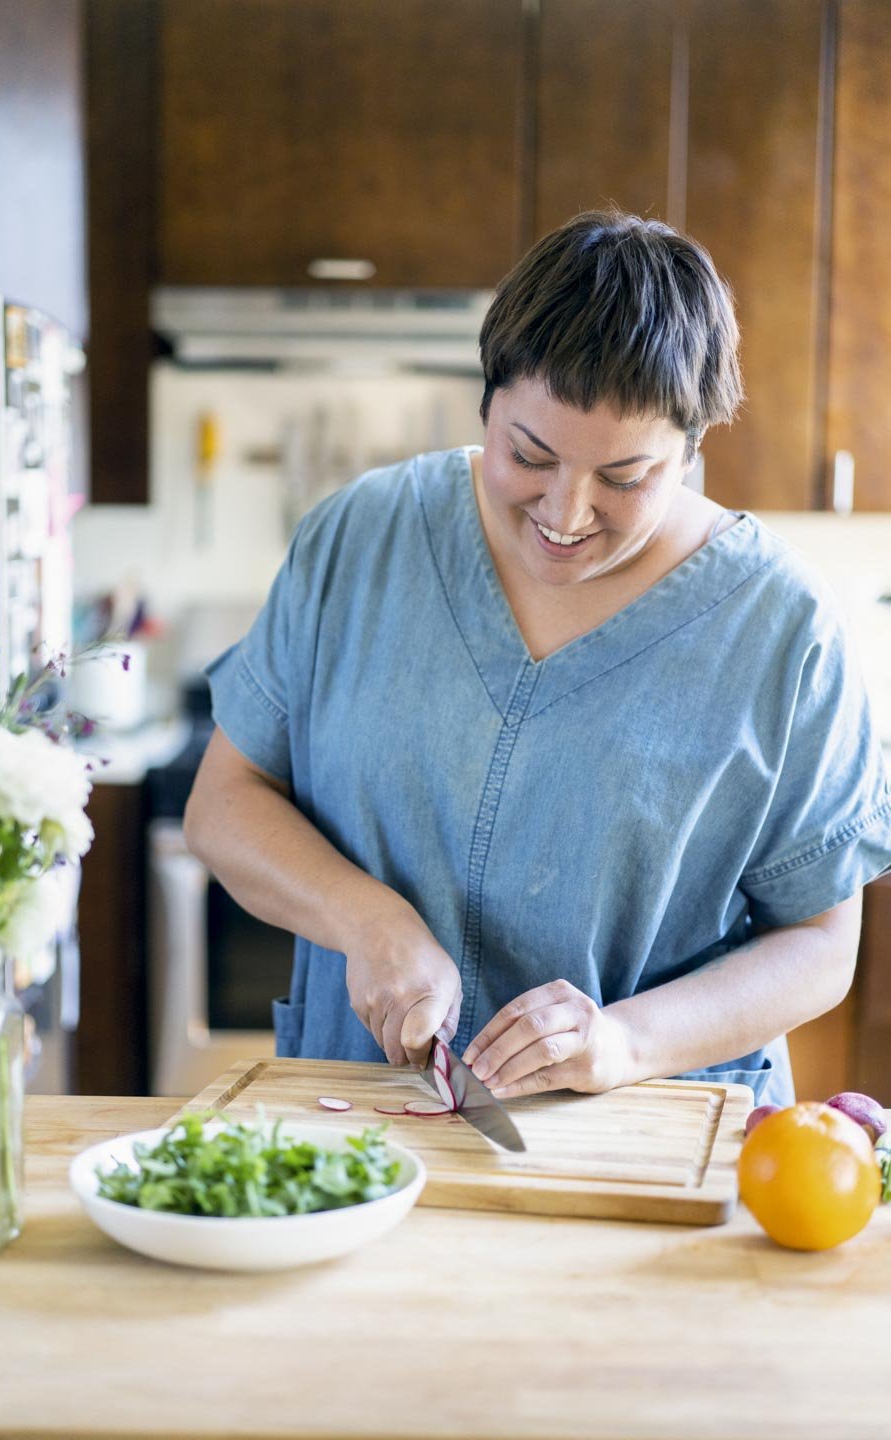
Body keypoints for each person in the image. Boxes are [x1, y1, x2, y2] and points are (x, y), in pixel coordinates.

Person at [184, 209, 891, 1108]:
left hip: (643, 1145)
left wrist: (627, 1042)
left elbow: (823, 947)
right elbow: (223, 804)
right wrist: (365, 921)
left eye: (626, 477)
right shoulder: (360, 536)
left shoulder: (784, 629)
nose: (566, 510)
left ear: (692, 451)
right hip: (356, 1132)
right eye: (529, 455)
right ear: (487, 402)